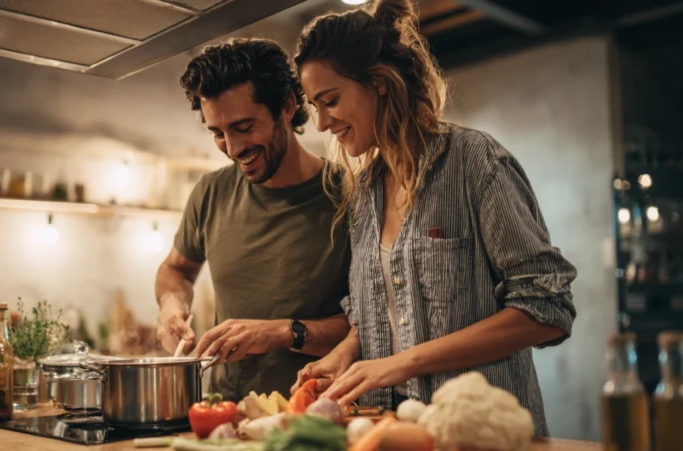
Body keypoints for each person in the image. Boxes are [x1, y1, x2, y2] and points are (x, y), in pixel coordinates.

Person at [290, 0, 577, 436]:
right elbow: (376, 318)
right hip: (391, 433)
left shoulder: (476, 163)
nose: (323, 123)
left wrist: (400, 363)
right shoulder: (364, 193)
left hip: (479, 439)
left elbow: (548, 307)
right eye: (316, 107)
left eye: (330, 101)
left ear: (379, 82)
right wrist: (347, 352)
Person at [155, 38, 351, 402]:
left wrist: (282, 332)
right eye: (217, 133)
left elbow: (373, 327)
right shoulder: (211, 192)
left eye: (244, 127)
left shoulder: (350, 197)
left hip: (319, 417)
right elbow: (176, 270)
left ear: (287, 107)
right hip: (226, 414)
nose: (231, 148)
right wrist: (171, 306)